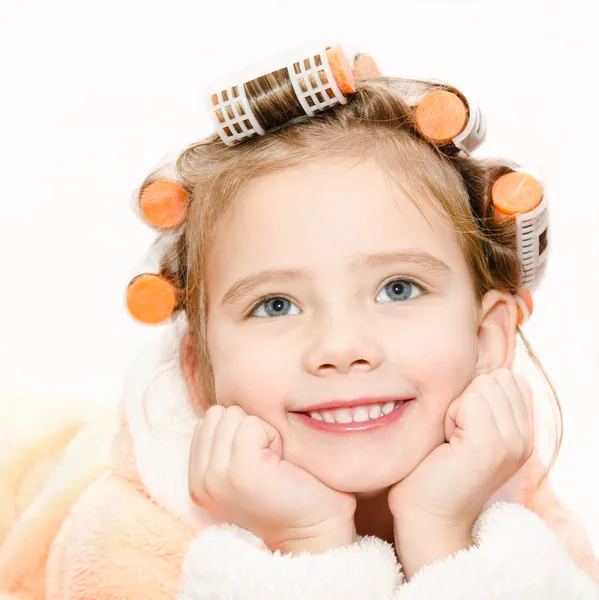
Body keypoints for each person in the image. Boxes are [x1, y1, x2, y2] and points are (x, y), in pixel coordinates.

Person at [1, 44, 598, 599]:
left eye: (398, 288)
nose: (341, 347)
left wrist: (443, 535)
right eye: (276, 304)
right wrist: (308, 543)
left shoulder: (503, 489)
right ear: (197, 367)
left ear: (486, 336)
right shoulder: (133, 534)